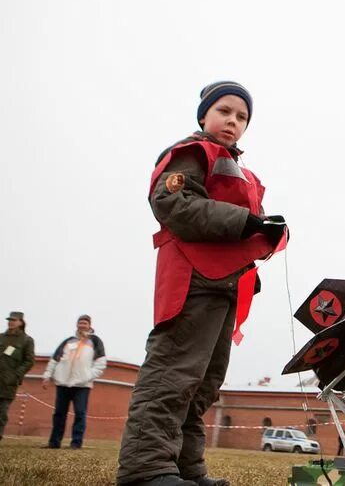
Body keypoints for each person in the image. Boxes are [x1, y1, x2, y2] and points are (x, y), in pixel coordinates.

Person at [116, 81, 288, 486]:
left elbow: (243, 227)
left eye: (242, 117)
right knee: (173, 374)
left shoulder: (246, 173)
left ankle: (186, 469)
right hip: (190, 280)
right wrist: (245, 222)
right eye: (225, 111)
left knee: (203, 384)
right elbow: (172, 202)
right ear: (204, 115)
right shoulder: (191, 153)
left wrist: (262, 235)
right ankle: (145, 470)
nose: (233, 121)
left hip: (226, 287)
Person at [42, 314, 107, 449]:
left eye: (85, 323)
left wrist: (88, 376)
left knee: (80, 414)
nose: (82, 325)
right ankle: (54, 442)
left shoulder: (95, 341)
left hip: (82, 385)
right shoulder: (68, 341)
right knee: (59, 413)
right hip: (63, 383)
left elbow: (101, 363)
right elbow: (55, 359)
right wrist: (47, 375)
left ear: (89, 325)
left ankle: (76, 443)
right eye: (80, 323)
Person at [0, 311, 35, 442]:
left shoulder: (27, 340)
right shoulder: (1, 337)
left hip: (9, 381)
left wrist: (16, 375)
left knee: (2, 411)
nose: (10, 322)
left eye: (14, 320)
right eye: (9, 320)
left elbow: (29, 361)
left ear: (20, 322)